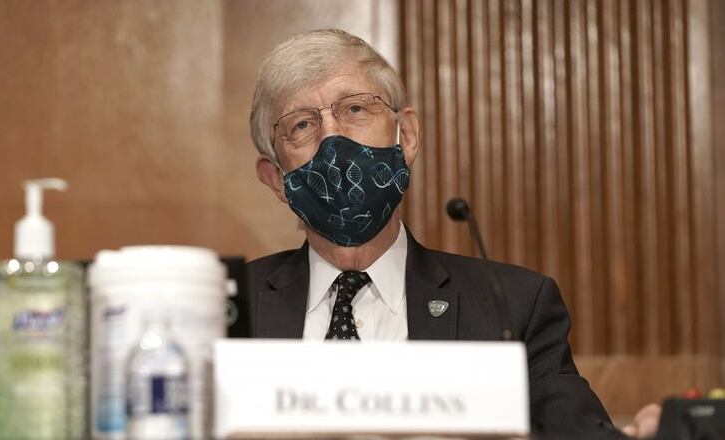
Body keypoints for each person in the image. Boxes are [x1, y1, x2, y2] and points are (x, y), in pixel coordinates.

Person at [245, 28, 660, 438]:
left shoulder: (511, 308)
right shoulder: (228, 313)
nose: (333, 138)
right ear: (276, 180)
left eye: (354, 109)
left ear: (406, 137)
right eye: (301, 125)